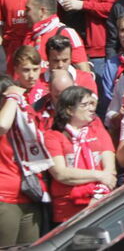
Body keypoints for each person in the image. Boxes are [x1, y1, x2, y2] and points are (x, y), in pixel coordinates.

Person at [44, 86, 116, 225]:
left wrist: (96, 199)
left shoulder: (99, 132)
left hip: (99, 204)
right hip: (67, 211)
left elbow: (110, 172)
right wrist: (98, 175)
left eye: (91, 104)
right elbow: (61, 174)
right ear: (69, 110)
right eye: (84, 105)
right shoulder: (53, 136)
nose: (91, 108)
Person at [0, 74, 47, 246]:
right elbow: (2, 125)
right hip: (4, 198)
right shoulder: (3, 120)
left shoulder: (25, 118)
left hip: (30, 194)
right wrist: (12, 97)